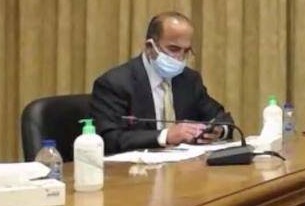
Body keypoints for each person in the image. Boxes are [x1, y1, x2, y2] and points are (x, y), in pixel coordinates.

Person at [89, 11, 232, 154]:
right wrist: (165, 136)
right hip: (136, 166)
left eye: (186, 51)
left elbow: (221, 117)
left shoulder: (189, 79)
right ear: (150, 46)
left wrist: (219, 130)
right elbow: (109, 138)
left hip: (184, 164)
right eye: (174, 49)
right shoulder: (115, 83)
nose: (180, 58)